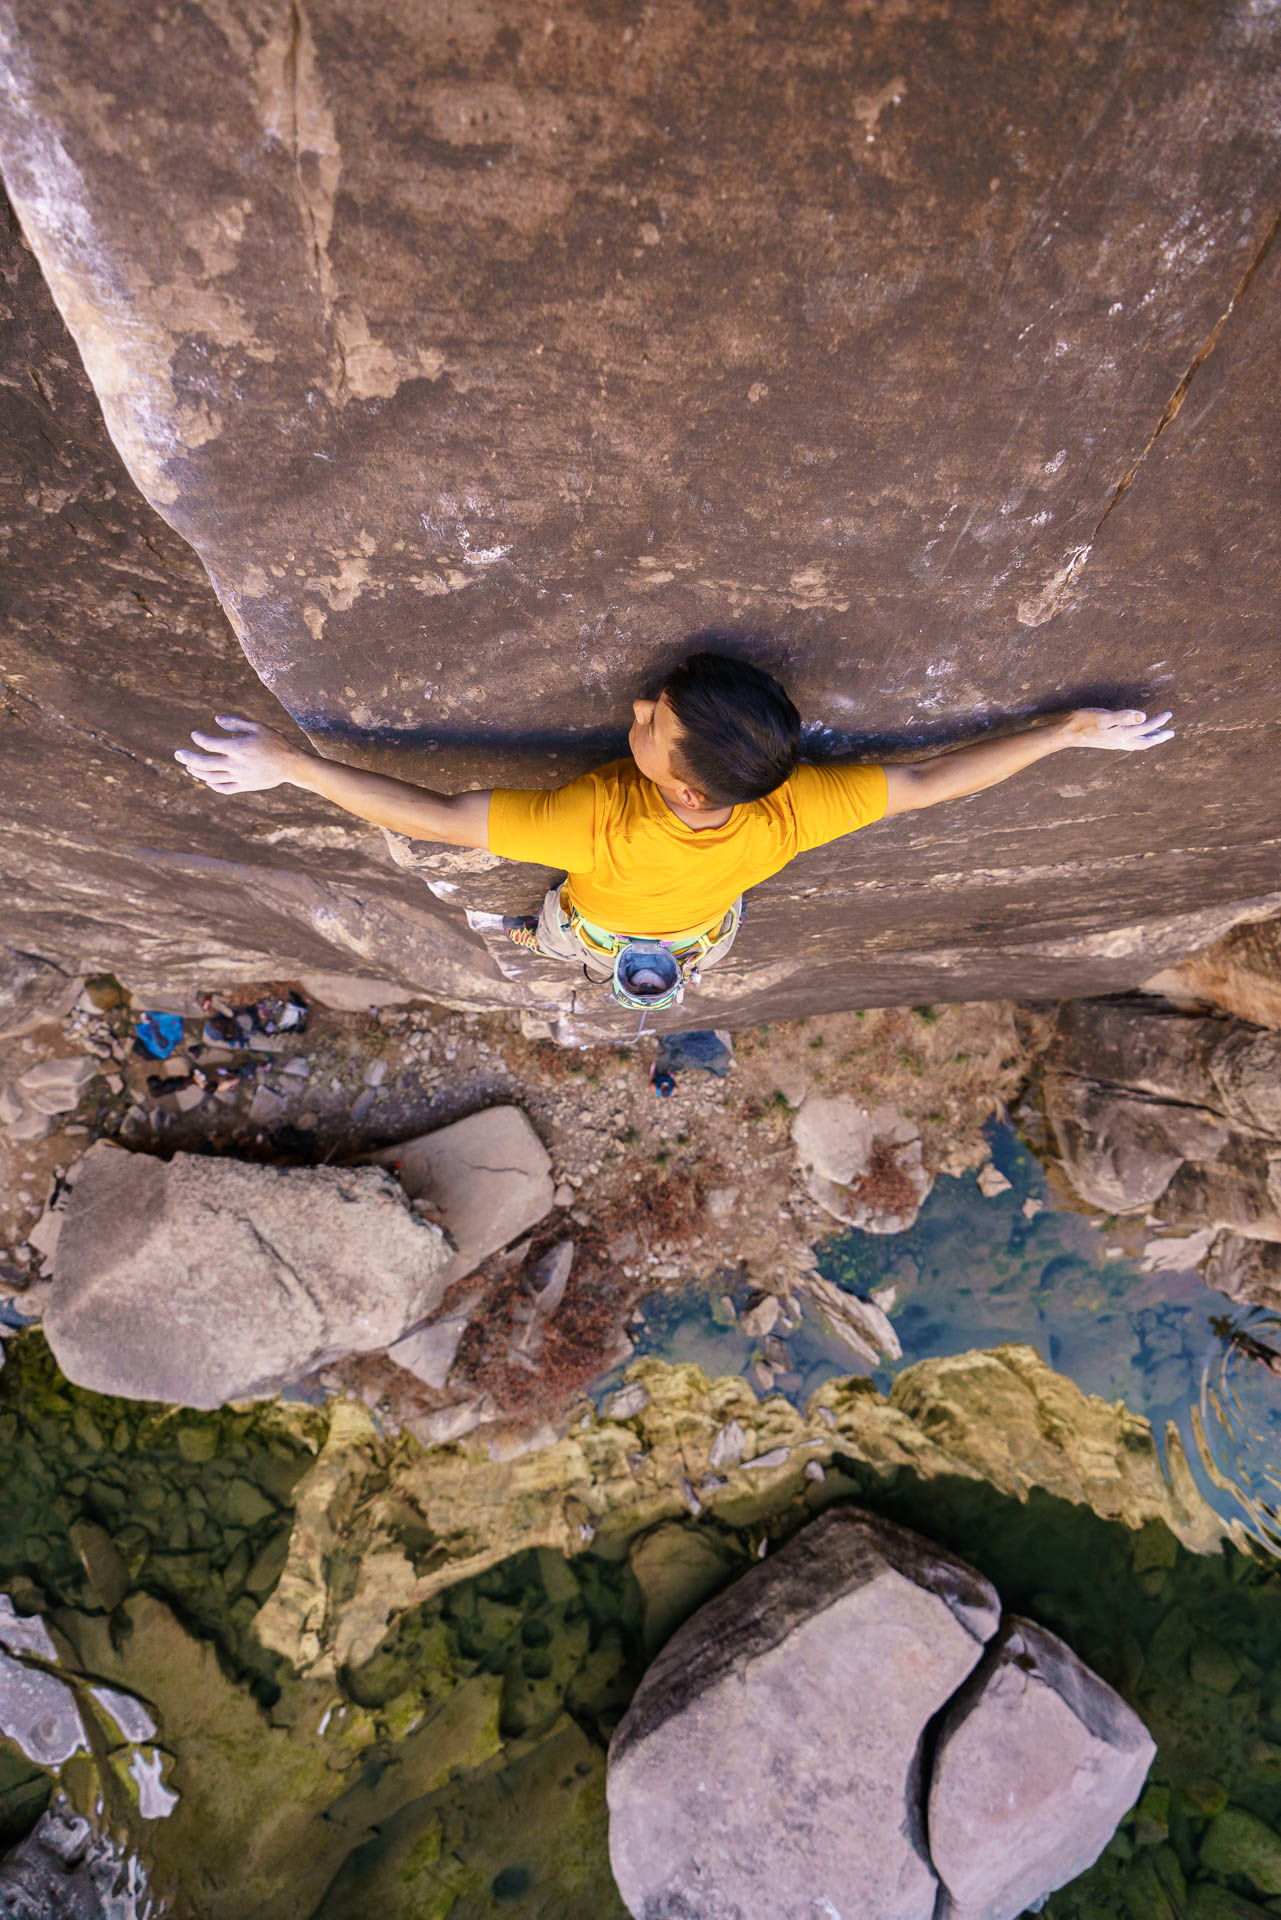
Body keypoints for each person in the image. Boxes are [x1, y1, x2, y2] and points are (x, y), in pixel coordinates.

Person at [175, 651, 1174, 991]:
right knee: (642, 946)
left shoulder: (597, 823)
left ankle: (546, 939)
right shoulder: (797, 806)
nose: (643, 705)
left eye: (656, 722)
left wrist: (288, 768)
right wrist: (1067, 731)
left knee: (568, 935)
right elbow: (932, 783)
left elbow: (435, 819)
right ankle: (604, 953)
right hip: (703, 931)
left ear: (688, 788)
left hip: (612, 918)